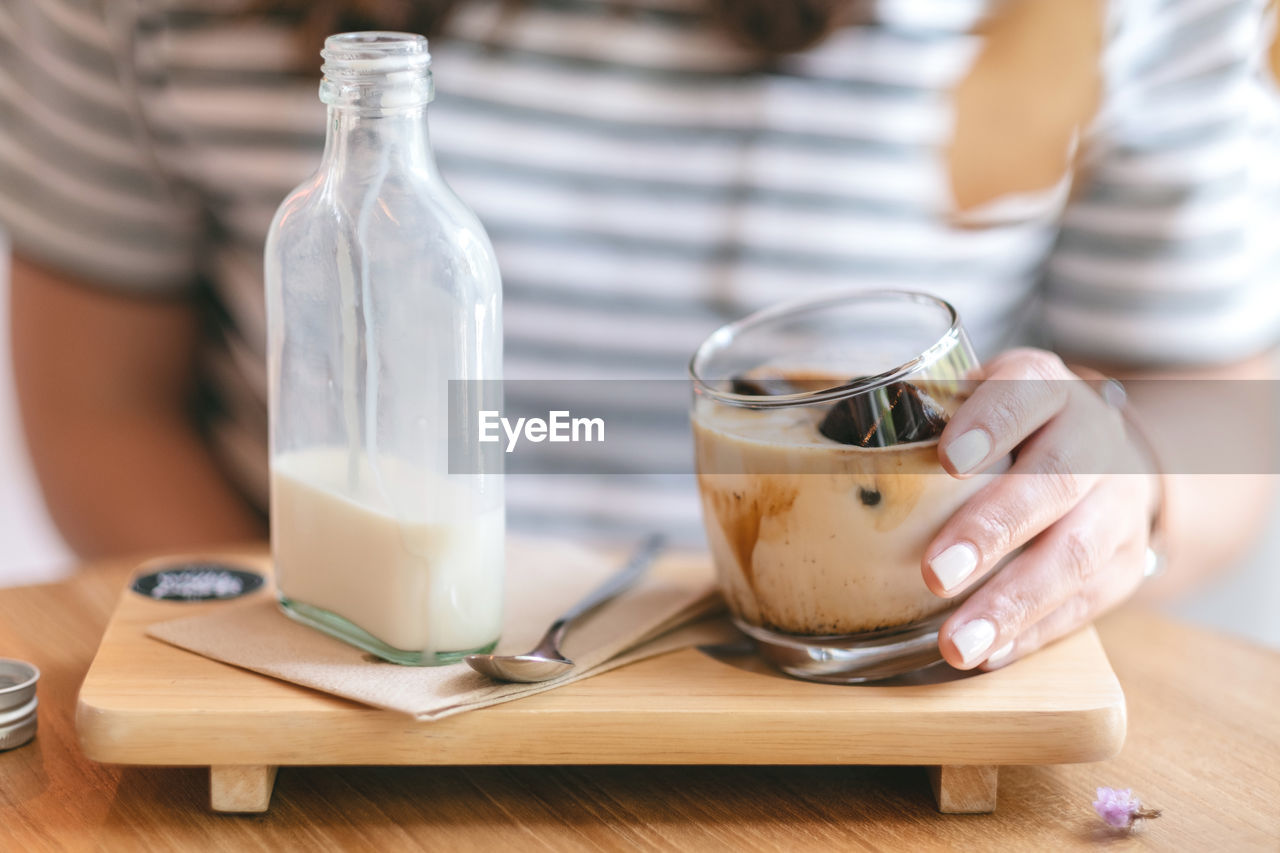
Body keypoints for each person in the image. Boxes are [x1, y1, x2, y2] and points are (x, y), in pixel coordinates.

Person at [3, 0, 1278, 671]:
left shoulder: (1088, 17)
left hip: (858, 659)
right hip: (361, 647)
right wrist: (330, 630)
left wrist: (1130, 483)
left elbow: (1221, 403)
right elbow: (98, 400)